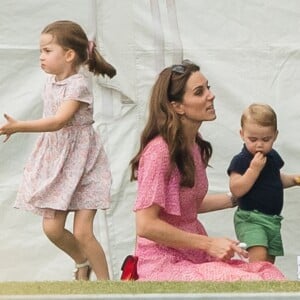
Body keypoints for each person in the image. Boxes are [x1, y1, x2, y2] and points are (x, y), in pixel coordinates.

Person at [129, 60, 285, 281]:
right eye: (199, 92)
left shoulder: (195, 144)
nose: (210, 96)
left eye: (208, 88)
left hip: (194, 255)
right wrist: (209, 243)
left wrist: (242, 195)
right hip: (164, 263)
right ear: (178, 106)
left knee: (268, 272)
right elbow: (145, 225)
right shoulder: (159, 152)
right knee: (255, 281)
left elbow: (186, 206)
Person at [0, 20, 116, 280]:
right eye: (41, 51)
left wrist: (19, 126)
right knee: (52, 228)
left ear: (69, 55)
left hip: (85, 166)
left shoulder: (78, 85)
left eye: (47, 50)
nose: (41, 57)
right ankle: (81, 262)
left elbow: (59, 121)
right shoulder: (51, 83)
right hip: (59, 167)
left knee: (83, 232)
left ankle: (107, 285)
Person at [227, 103, 300, 264]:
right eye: (252, 139)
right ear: (242, 134)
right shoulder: (241, 160)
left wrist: (295, 179)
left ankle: (264, 285)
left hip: (272, 220)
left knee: (268, 261)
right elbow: (236, 189)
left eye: (266, 139)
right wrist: (253, 170)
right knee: (258, 255)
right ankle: (253, 284)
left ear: (275, 135)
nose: (259, 144)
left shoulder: (272, 156)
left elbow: (276, 179)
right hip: (250, 218)